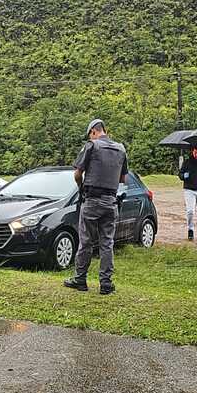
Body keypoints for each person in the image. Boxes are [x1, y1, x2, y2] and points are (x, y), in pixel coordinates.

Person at [63, 119, 128, 295]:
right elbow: (124, 179)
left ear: (93, 131)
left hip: (92, 200)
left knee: (86, 241)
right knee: (107, 243)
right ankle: (106, 284)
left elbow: (77, 173)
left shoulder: (91, 146)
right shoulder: (121, 149)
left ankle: (80, 279)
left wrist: (81, 187)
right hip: (110, 202)